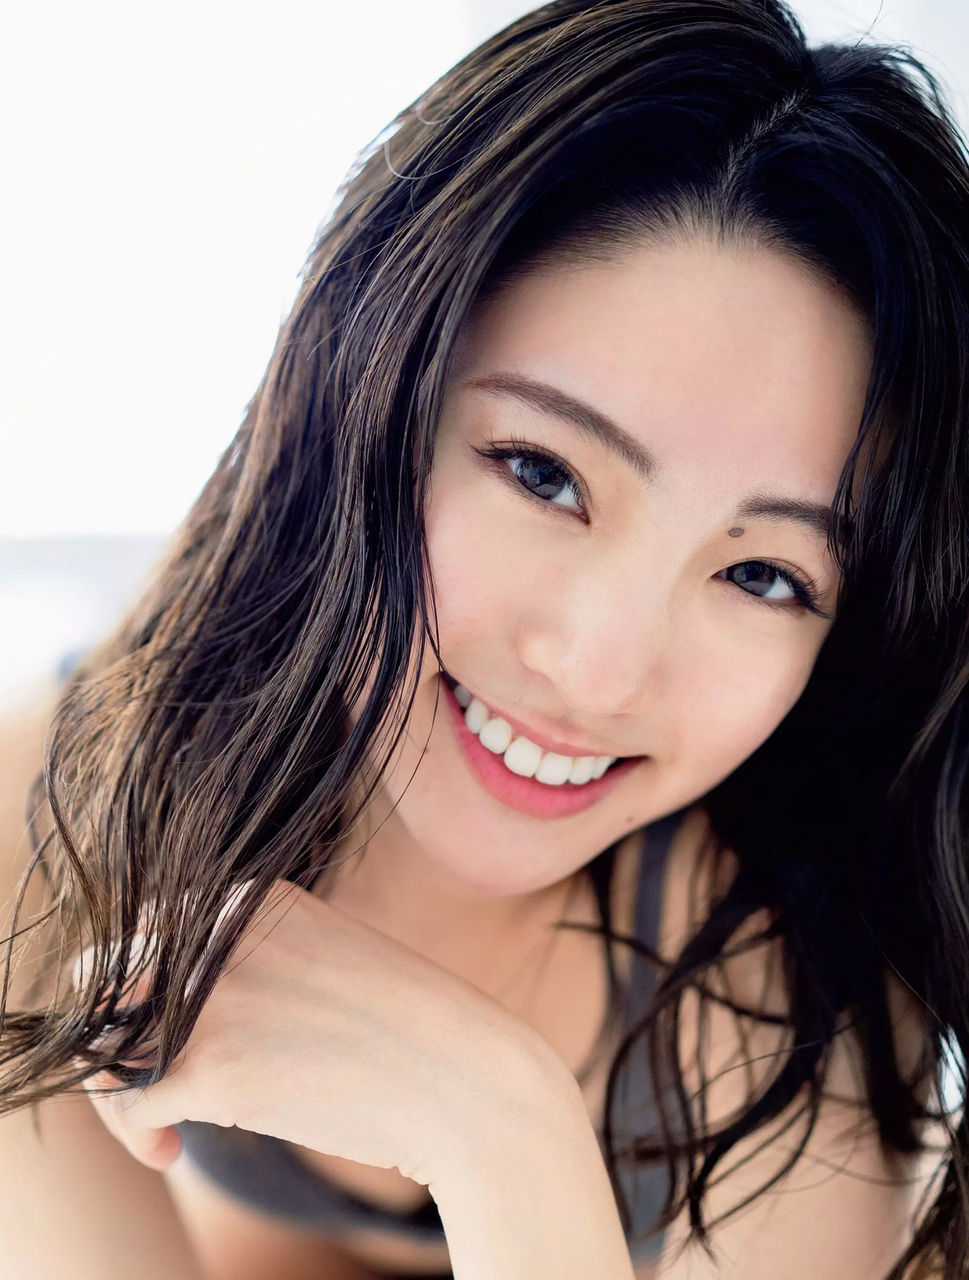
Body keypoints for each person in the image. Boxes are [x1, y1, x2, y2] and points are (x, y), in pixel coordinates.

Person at [1, 1, 967, 1276]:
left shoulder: (789, 994)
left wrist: (497, 1128)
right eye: (543, 472)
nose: (597, 671)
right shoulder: (42, 826)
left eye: (763, 573)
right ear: (366, 399)